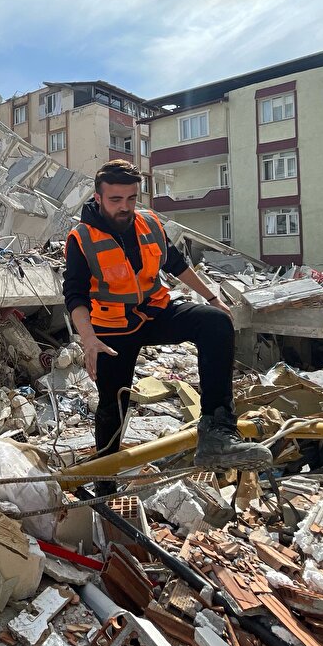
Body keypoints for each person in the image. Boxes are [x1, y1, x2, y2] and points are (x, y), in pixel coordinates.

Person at [63, 160, 272, 481]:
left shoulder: (149, 223)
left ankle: (217, 430)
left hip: (155, 312)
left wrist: (214, 298)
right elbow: (75, 295)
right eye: (116, 200)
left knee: (215, 322)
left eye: (131, 199)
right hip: (112, 331)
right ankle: (105, 482)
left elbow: (176, 263)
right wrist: (88, 338)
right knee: (112, 405)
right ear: (99, 197)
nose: (125, 207)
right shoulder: (82, 238)